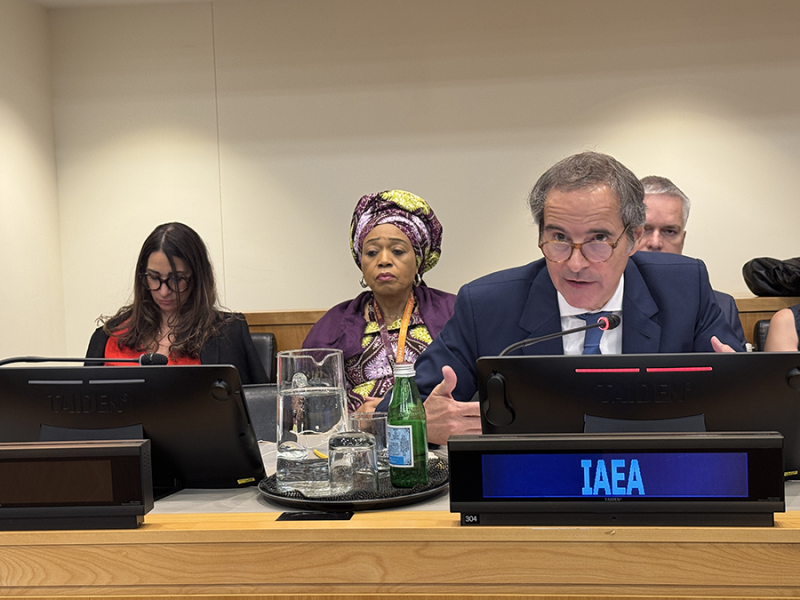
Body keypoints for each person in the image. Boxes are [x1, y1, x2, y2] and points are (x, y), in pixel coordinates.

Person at [398, 152, 743, 445]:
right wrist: (422, 423)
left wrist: (739, 389)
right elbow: (395, 414)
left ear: (633, 238)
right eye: (559, 238)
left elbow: (750, 409)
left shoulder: (684, 289)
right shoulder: (487, 306)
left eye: (598, 239)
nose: (575, 264)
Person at [303, 190, 455, 414]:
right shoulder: (333, 323)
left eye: (398, 251)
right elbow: (309, 402)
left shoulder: (452, 312)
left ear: (418, 260)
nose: (384, 261)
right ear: (361, 263)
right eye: (372, 252)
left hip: (432, 433)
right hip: (357, 438)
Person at [86, 222, 268, 385]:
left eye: (177, 279)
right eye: (154, 278)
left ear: (198, 278)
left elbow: (257, 409)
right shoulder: (108, 336)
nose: (164, 291)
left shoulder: (229, 334)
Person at [637, 175, 746, 346]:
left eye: (670, 231)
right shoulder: (602, 298)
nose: (655, 243)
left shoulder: (721, 307)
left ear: (682, 239)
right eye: (645, 229)